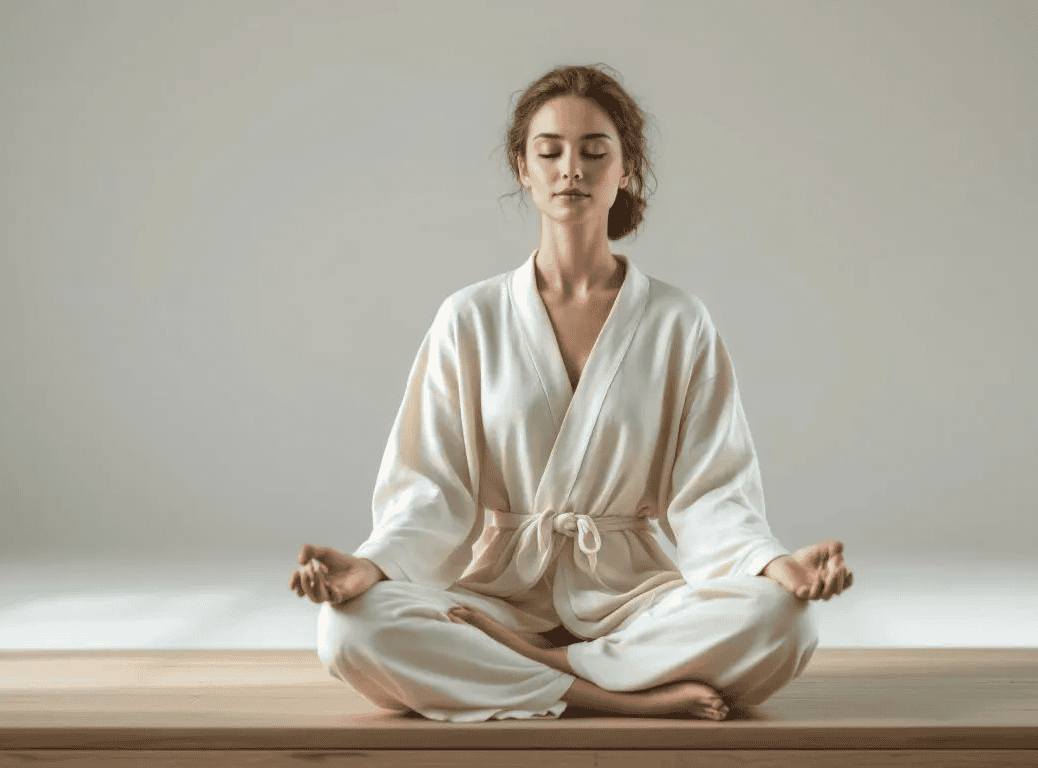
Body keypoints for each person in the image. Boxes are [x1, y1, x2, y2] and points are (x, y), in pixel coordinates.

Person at [289, 63, 853, 723]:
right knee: (350, 630)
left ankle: (533, 672)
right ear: (522, 169)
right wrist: (370, 568)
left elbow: (712, 495)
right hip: (496, 599)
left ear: (627, 169)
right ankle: (605, 693)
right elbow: (430, 493)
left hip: (633, 600)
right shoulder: (469, 319)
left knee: (785, 624)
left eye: (594, 151)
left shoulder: (678, 321)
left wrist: (771, 564)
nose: (571, 169)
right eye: (549, 151)